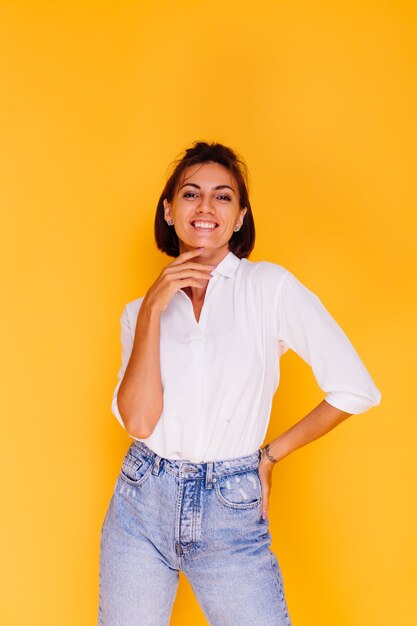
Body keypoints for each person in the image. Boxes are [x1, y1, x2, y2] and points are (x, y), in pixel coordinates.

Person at [98, 141, 382, 626]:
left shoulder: (267, 288)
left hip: (230, 505)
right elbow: (141, 422)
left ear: (239, 215)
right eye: (191, 194)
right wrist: (151, 308)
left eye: (223, 196)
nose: (206, 207)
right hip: (141, 501)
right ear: (169, 211)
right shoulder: (138, 311)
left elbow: (354, 387)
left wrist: (269, 457)